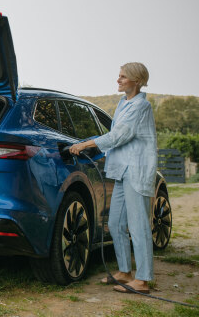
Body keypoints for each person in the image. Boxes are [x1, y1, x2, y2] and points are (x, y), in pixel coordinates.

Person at [70, 62, 157, 294]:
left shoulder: (141, 106)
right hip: (120, 170)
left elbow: (119, 135)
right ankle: (124, 271)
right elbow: (113, 136)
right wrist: (92, 143)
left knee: (138, 227)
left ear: (136, 81)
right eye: (118, 76)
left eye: (123, 77)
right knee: (115, 223)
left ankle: (143, 280)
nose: (118, 80)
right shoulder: (122, 103)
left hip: (136, 170)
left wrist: (86, 144)